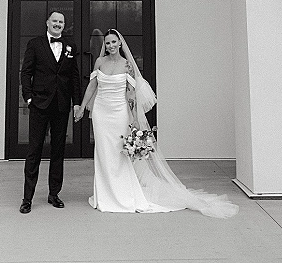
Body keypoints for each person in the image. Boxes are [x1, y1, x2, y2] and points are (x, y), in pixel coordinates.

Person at [74, 28, 238, 217]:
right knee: (103, 154)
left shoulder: (127, 65)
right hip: (101, 113)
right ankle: (104, 195)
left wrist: (134, 118)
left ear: (120, 44)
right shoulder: (99, 62)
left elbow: (130, 94)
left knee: (119, 156)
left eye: (113, 42)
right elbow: (92, 86)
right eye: (107, 42)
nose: (111, 46)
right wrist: (82, 107)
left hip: (119, 113)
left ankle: (123, 195)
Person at [19, 10, 81, 214]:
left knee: (58, 151)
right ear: (47, 23)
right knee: (34, 151)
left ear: (64, 25)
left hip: (61, 106)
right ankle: (27, 198)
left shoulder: (70, 46)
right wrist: (28, 98)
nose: (58, 24)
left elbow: (74, 76)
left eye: (61, 22)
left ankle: (54, 194)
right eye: (54, 21)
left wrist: (76, 103)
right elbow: (26, 72)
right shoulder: (35, 44)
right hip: (39, 104)